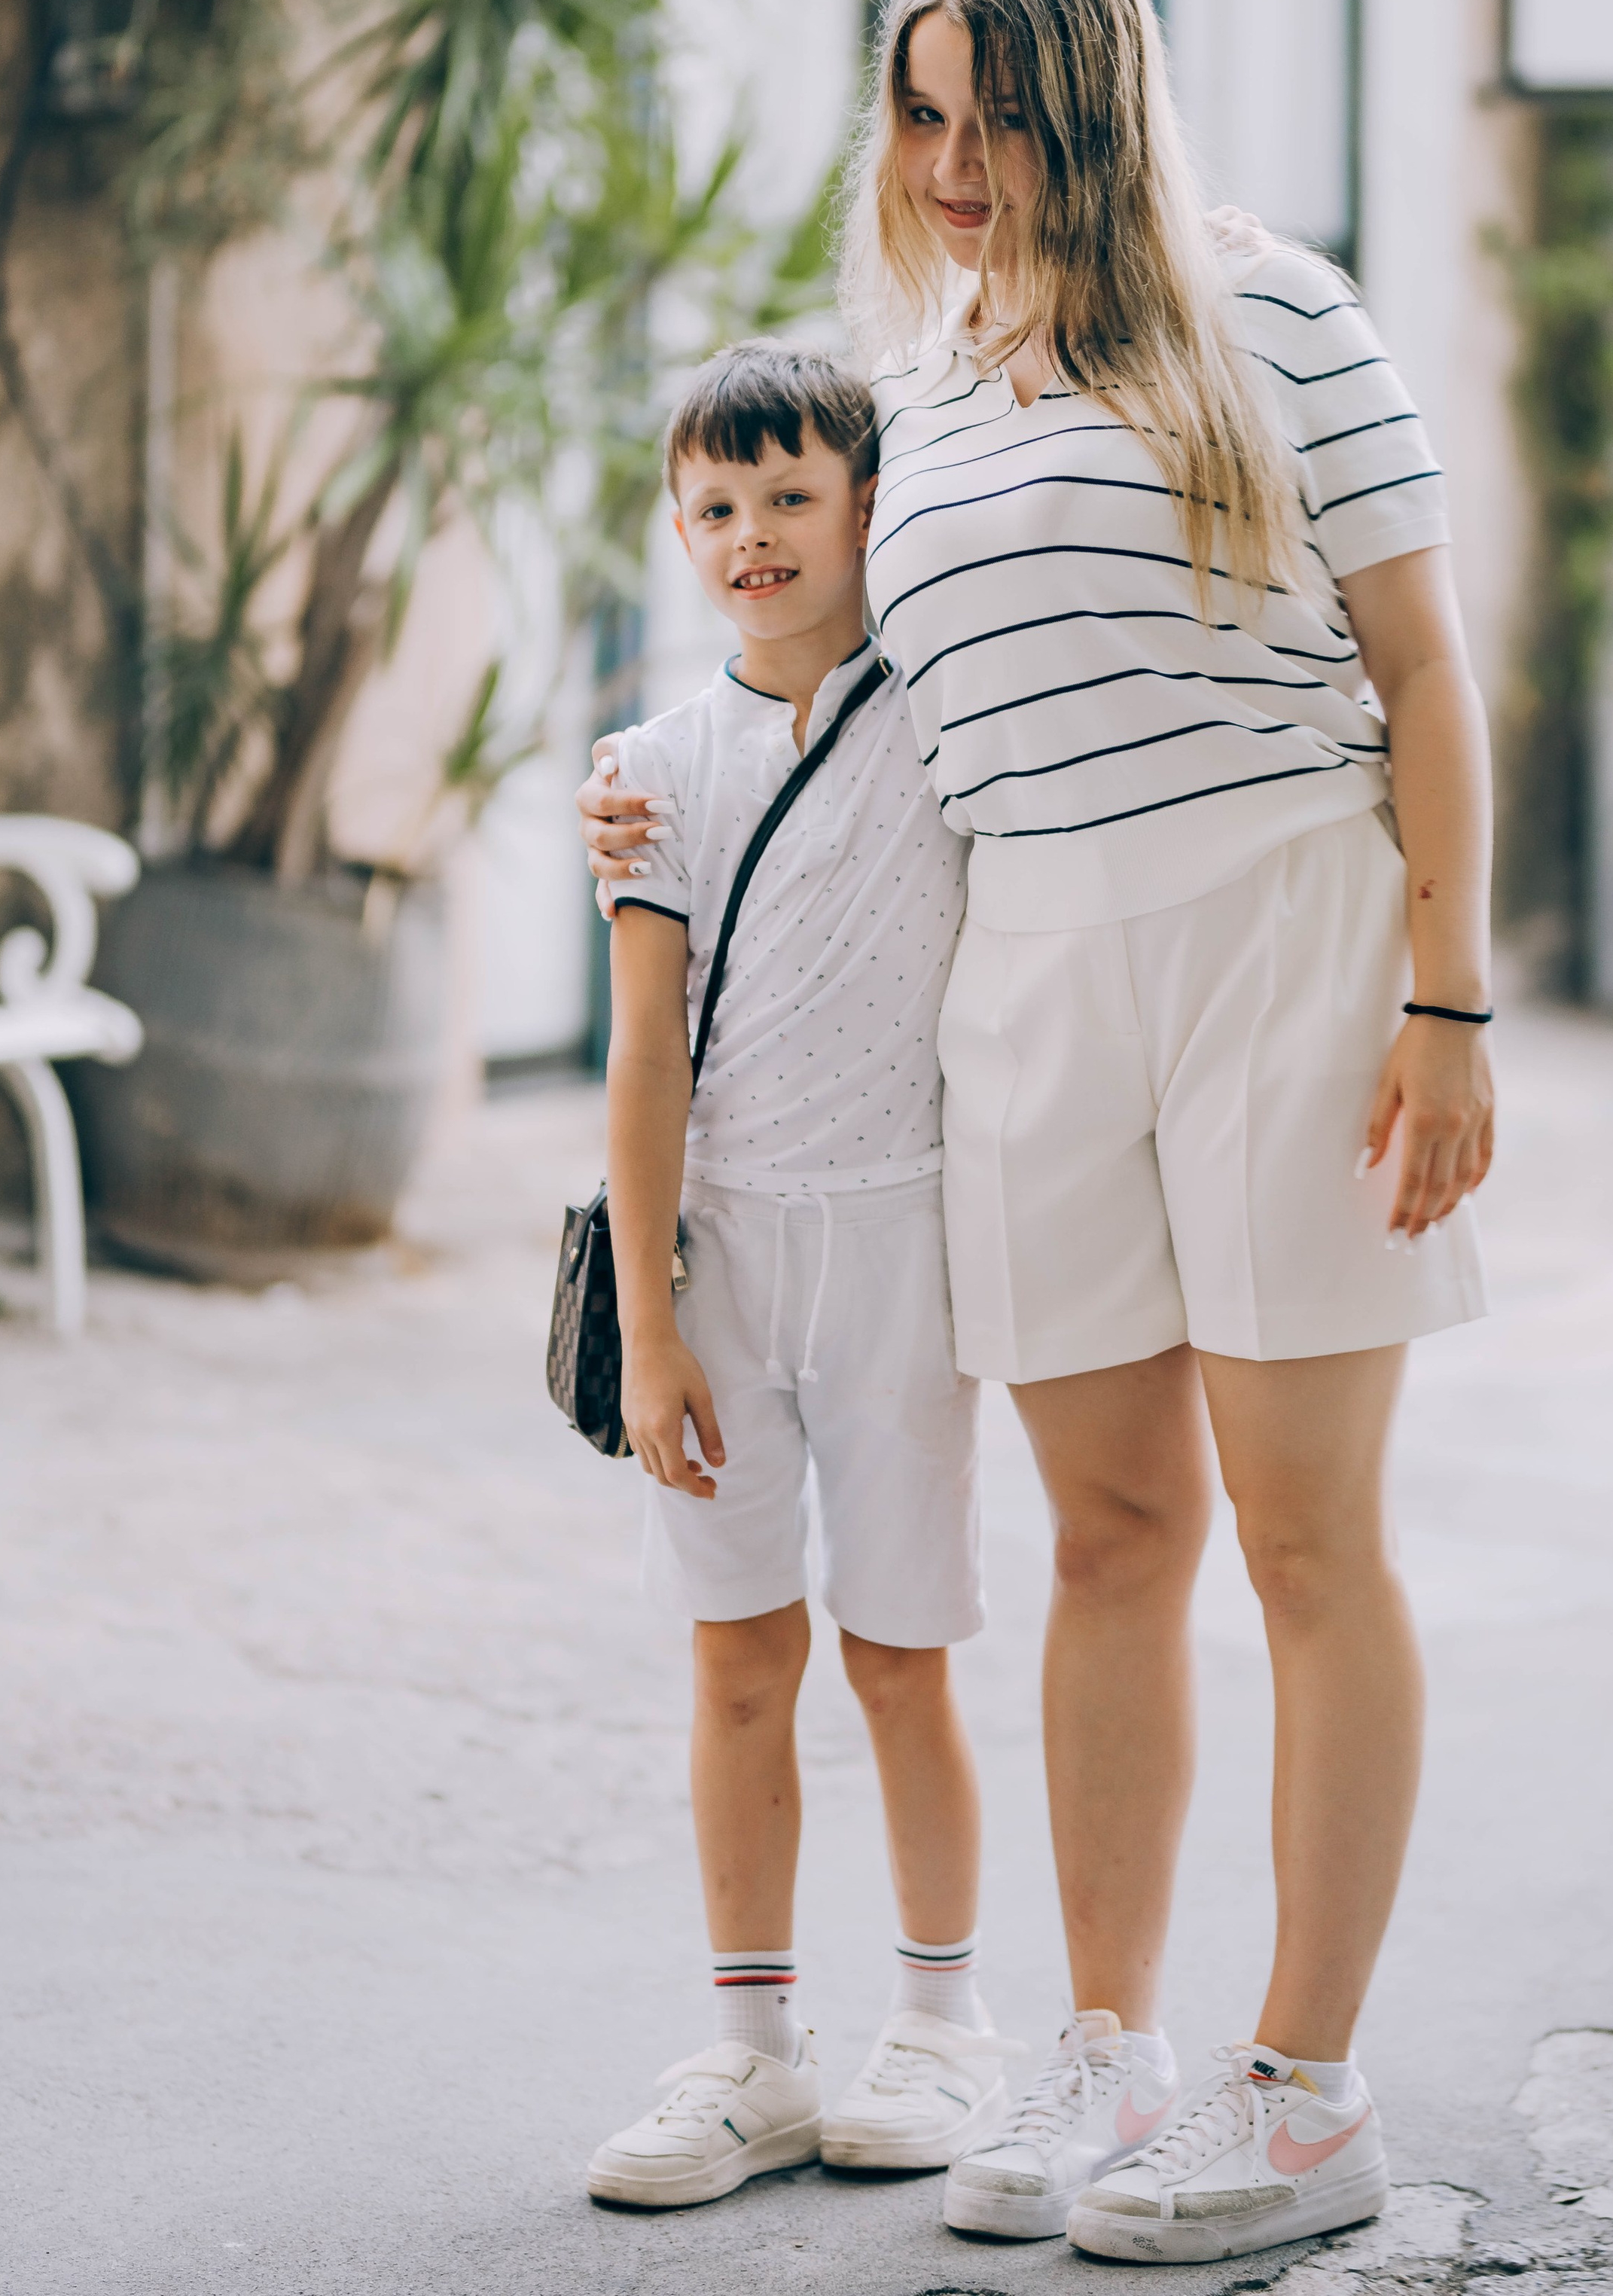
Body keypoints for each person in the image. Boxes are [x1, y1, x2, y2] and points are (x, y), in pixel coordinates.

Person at [585, 0, 1496, 2268]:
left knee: (1306, 1540)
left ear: (1096, 98)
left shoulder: (1272, 309)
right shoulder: (927, 392)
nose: (957, 156)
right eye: (921, 110)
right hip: (1030, 974)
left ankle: (1305, 2093)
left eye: (1001, 108)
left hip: (1283, 923)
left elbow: (1425, 662)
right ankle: (1106, 2047)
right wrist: (640, 802)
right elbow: (806, 657)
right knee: (1107, 1539)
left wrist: (1449, 999)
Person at [583, 343, 1016, 2214]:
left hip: (907, 1240)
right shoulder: (654, 771)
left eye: (788, 499)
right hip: (727, 1257)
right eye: (712, 508)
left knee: (900, 1654)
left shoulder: (947, 720)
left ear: (863, 504)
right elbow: (644, 1050)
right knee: (738, 1655)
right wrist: (656, 1330)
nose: (750, 536)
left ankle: (942, 2024)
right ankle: (750, 2051)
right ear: (675, 529)